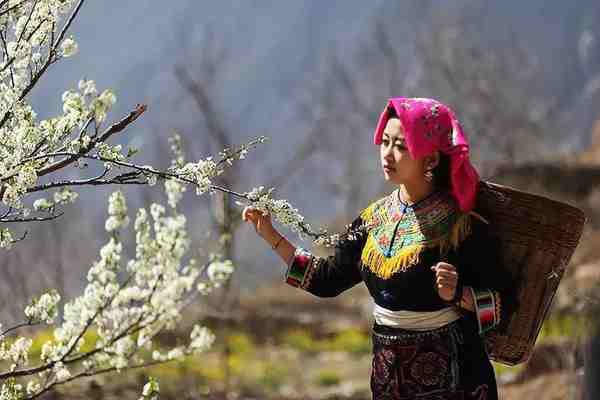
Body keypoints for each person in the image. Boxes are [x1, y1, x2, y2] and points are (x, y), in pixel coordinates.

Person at [242, 97, 516, 400]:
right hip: (388, 379)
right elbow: (326, 280)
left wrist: (459, 294)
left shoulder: (461, 226)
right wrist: (271, 236)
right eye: (385, 142)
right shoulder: (373, 219)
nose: (388, 154)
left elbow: (504, 307)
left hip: (456, 380)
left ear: (431, 159)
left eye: (401, 146)